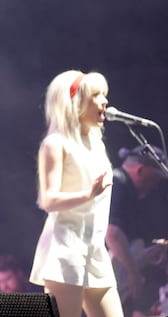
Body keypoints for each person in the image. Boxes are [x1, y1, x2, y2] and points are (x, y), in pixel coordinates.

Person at [29, 70, 123, 317]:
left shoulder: (96, 143)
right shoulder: (55, 143)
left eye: (105, 94)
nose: (104, 101)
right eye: (96, 95)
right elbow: (48, 200)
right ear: (75, 103)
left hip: (95, 249)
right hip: (66, 250)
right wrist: (87, 194)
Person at [106, 145, 168, 317]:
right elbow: (112, 234)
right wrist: (133, 273)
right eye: (154, 180)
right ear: (141, 170)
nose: (155, 186)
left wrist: (145, 257)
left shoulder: (127, 191)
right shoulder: (117, 183)